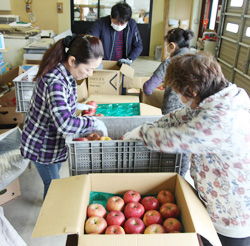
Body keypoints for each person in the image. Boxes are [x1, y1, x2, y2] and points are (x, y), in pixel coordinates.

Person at [123, 52, 250, 246]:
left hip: (231, 213)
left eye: (178, 92)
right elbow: (179, 117)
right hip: (214, 197)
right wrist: (149, 125)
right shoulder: (219, 98)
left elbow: (176, 139)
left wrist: (143, 133)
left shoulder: (221, 119)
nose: (179, 98)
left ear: (191, 90)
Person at [21, 34, 107, 199]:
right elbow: (65, 123)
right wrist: (93, 122)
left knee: (55, 175)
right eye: (88, 69)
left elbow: (62, 105)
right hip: (42, 145)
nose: (90, 74)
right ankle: (50, 214)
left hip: (54, 140)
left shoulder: (66, 74)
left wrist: (82, 107)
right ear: (73, 60)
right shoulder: (56, 82)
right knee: (53, 184)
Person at [143, 28, 194, 177]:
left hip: (172, 111)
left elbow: (148, 88)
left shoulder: (171, 62)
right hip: (192, 111)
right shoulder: (197, 60)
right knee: (183, 147)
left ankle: (162, 175)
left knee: (166, 145)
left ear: (172, 45)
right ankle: (180, 177)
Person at [87, 2, 143, 66]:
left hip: (123, 64)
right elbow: (90, 40)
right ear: (111, 16)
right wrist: (96, 58)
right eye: (116, 23)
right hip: (103, 63)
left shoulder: (131, 24)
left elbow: (138, 45)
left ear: (127, 21)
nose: (119, 25)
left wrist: (130, 59)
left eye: (122, 24)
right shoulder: (101, 23)